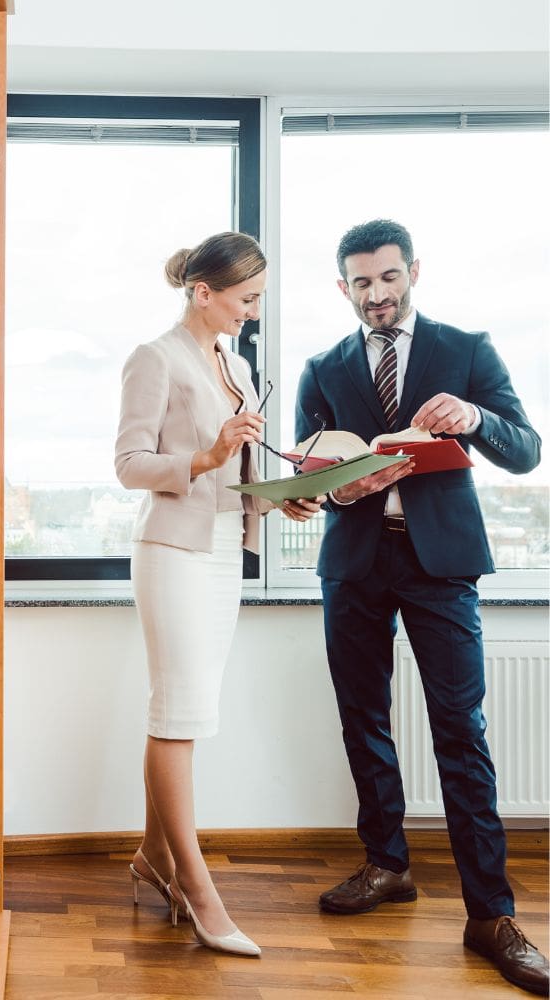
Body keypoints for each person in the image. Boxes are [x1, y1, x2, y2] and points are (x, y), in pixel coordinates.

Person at [295, 218, 547, 996]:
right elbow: (308, 475)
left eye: (388, 277)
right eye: (361, 282)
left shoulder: (466, 349)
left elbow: (526, 449)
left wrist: (474, 418)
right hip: (354, 564)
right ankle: (387, 864)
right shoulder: (321, 368)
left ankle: (491, 916)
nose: (376, 294)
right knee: (362, 718)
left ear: (413, 272)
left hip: (441, 565)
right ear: (343, 287)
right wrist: (337, 489)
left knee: (459, 731)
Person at [115, 231, 323, 958]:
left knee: (191, 711)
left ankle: (153, 857)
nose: (253, 312)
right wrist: (205, 455)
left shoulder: (237, 365)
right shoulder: (155, 358)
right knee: (176, 714)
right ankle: (199, 891)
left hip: (224, 551)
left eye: (258, 299)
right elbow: (129, 464)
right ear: (203, 293)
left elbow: (239, 475)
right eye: (246, 298)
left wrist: (283, 498)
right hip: (172, 552)